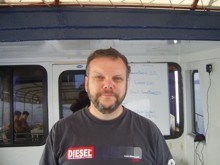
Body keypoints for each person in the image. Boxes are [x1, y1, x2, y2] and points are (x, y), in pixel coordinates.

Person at [39, 48, 175, 165]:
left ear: (126, 85)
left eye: (117, 78)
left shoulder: (149, 132)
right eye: (99, 77)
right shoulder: (60, 132)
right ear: (86, 84)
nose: (108, 84)